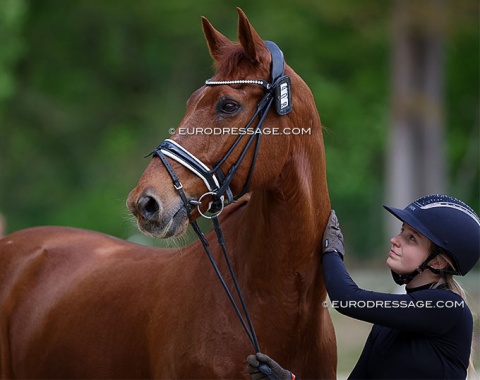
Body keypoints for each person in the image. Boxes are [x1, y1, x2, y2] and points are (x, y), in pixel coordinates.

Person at [246, 194, 479, 380]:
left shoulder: (448, 307)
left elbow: (348, 300)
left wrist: (332, 250)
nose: (395, 240)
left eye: (412, 238)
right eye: (402, 231)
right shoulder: (387, 326)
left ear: (438, 261)